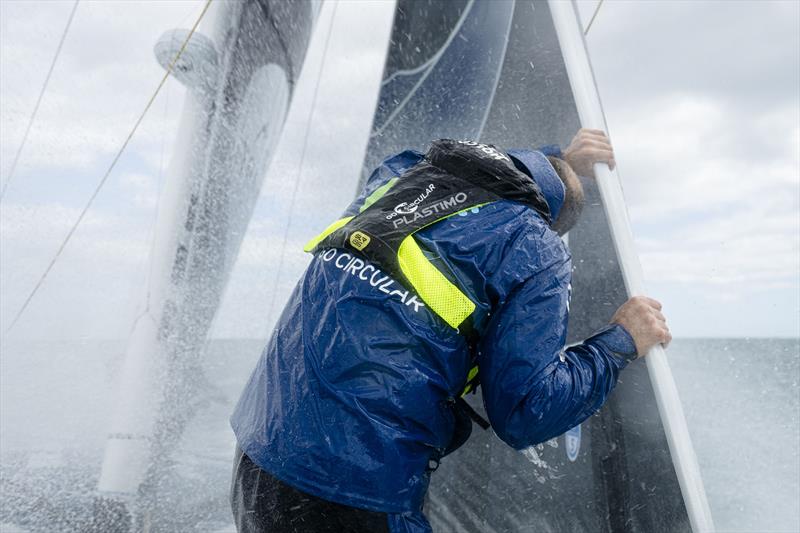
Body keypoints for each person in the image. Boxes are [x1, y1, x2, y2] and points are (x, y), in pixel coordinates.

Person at [229, 129, 671, 533]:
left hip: (259, 456)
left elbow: (496, 168)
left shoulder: (399, 174)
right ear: (549, 217)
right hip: (357, 489)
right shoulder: (533, 242)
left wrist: (556, 159)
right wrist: (620, 341)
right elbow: (526, 413)